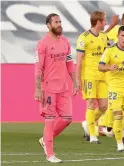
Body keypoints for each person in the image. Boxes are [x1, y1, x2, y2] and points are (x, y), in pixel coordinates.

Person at [35, 13, 77, 163]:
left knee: (67, 118)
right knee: (50, 120)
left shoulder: (65, 42)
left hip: (63, 88)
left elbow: (69, 63)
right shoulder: (42, 44)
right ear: (48, 25)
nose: (59, 24)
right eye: (56, 22)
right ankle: (50, 154)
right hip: (48, 89)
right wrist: (38, 88)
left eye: (60, 21)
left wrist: (75, 81)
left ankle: (45, 140)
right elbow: (38, 67)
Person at [76, 11, 108, 144]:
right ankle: (93, 134)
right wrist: (78, 79)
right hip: (89, 76)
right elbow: (79, 61)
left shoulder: (104, 37)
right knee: (90, 104)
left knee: (104, 106)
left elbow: (106, 56)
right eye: (104, 21)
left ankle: (87, 123)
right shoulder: (83, 38)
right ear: (98, 22)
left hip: (103, 76)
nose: (106, 23)